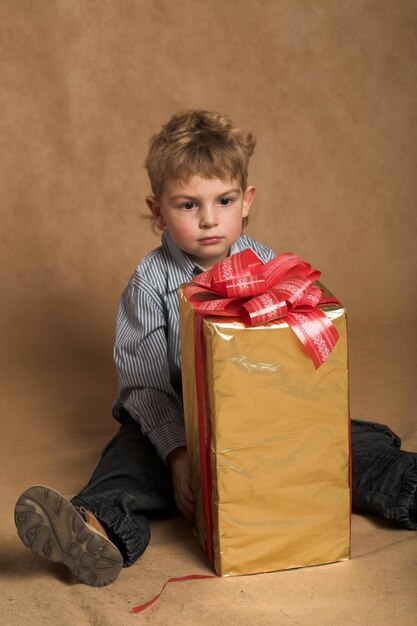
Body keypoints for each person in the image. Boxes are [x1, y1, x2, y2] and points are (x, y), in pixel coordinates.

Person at [14, 110, 417, 588]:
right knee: (127, 465)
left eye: (223, 201)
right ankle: (94, 529)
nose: (209, 219)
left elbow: (299, 352)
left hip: (265, 412)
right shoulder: (150, 282)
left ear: (246, 202)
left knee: (344, 443)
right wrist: (179, 453)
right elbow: (144, 387)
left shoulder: (272, 267)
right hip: (176, 413)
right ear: (157, 209)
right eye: (187, 205)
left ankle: (404, 484)